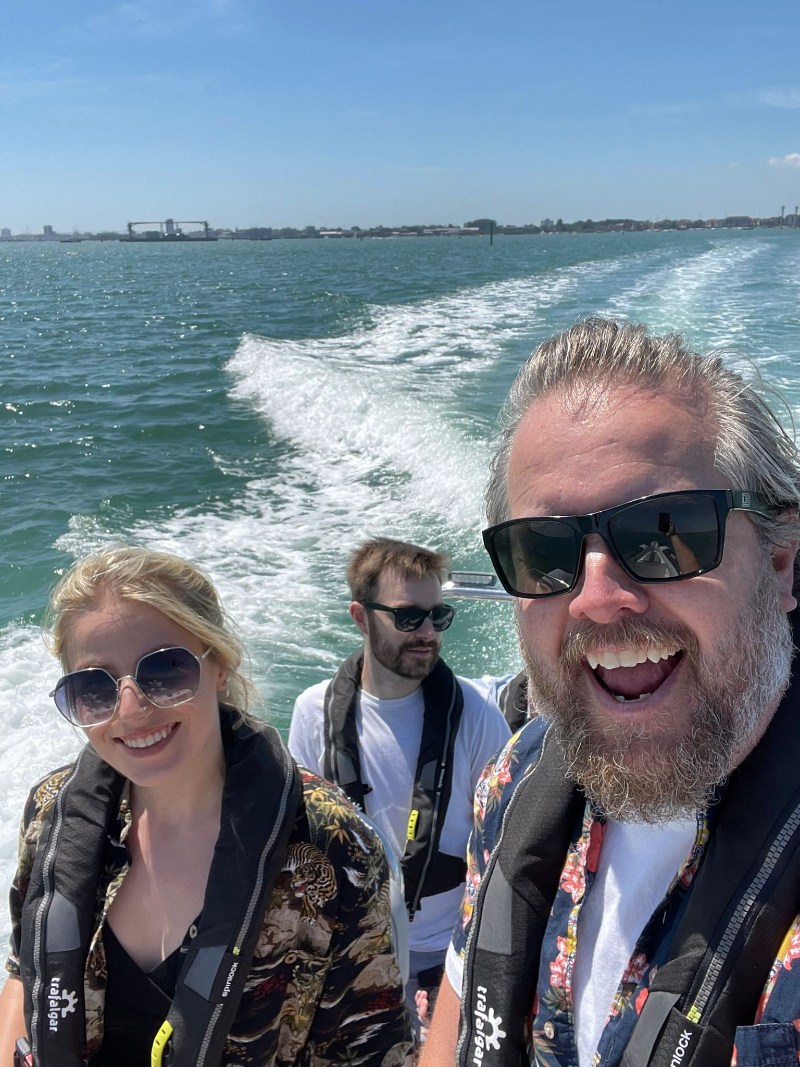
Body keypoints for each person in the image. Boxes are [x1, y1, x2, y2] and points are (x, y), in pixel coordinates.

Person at [421, 317, 800, 1067]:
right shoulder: (518, 774)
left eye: (665, 532)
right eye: (543, 549)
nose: (596, 597)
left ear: (784, 563)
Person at [0, 546, 413, 1067]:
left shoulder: (333, 847)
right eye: (93, 686)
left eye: (165, 670)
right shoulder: (51, 812)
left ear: (218, 664)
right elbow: (24, 972)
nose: (131, 709)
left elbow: (368, 1050)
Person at [288, 538, 510, 1029]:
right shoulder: (312, 713)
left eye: (439, 616)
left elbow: (503, 853)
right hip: (349, 948)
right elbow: (304, 844)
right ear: (361, 617)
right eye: (409, 618)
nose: (428, 632)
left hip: (444, 955)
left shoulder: (476, 716)